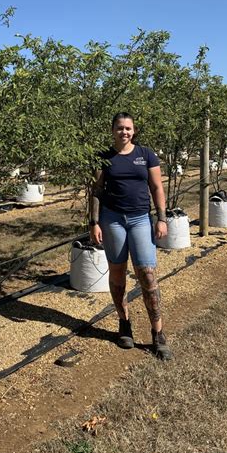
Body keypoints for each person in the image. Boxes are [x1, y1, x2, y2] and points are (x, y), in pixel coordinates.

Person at [89, 111, 172, 360]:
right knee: (117, 271)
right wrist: (94, 222)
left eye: (128, 128)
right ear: (112, 130)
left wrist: (162, 218)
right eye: (119, 128)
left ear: (133, 131)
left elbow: (157, 187)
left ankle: (158, 333)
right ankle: (124, 323)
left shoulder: (146, 155)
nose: (124, 132)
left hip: (139, 219)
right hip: (112, 219)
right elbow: (97, 190)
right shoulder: (104, 157)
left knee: (147, 273)